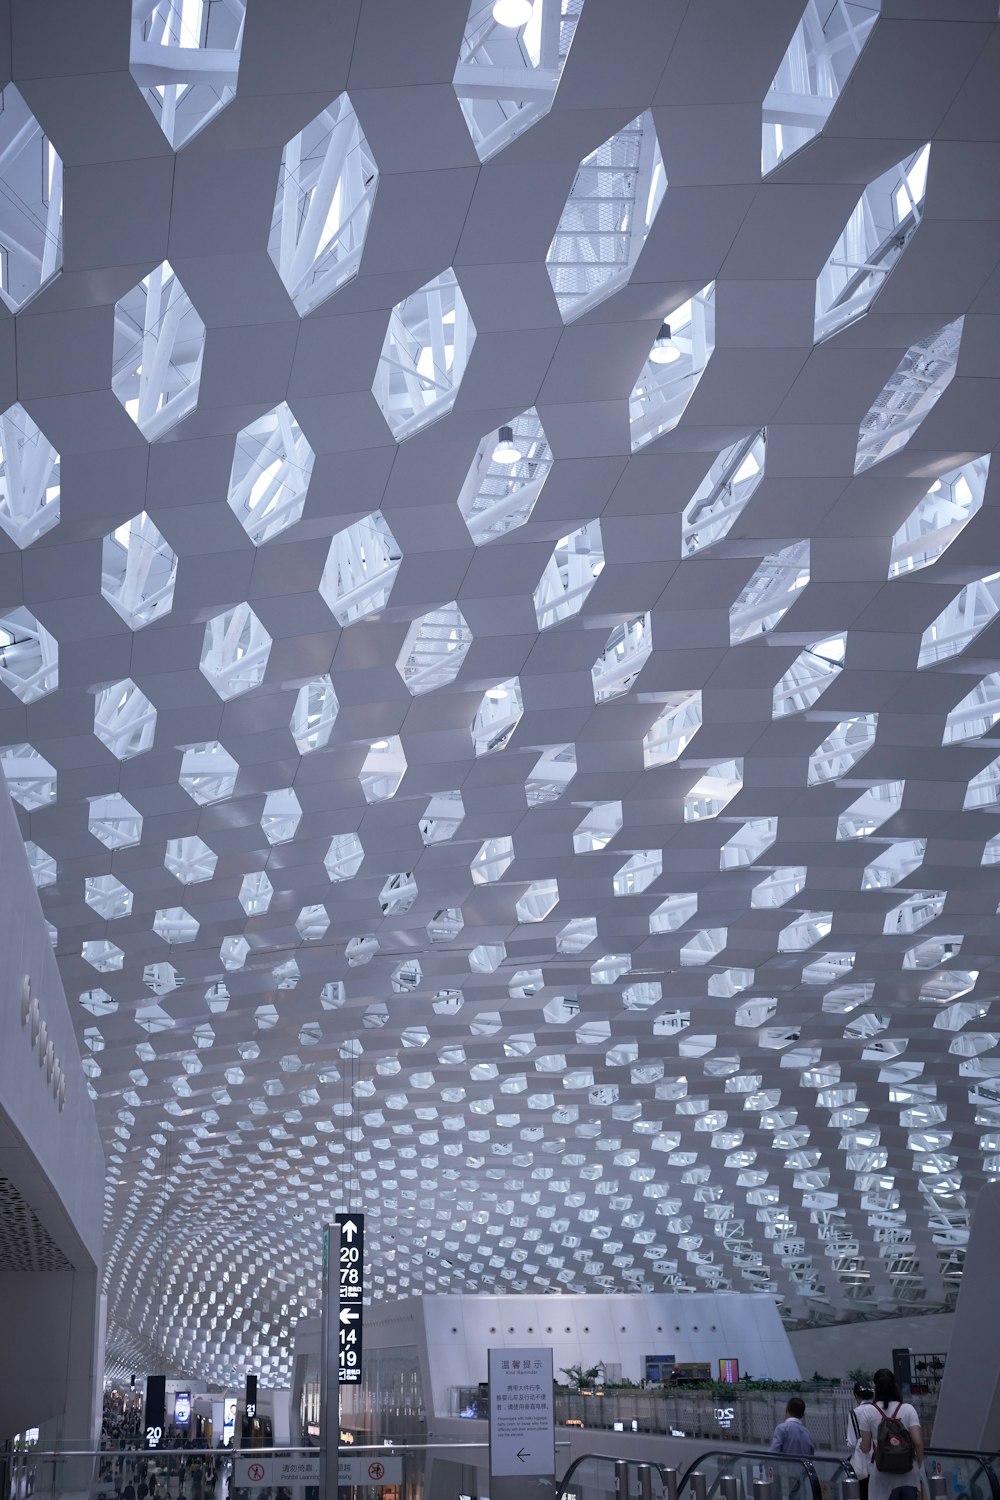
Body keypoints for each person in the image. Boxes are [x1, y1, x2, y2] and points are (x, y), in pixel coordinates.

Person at [856, 1367, 924, 1500]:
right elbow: (917, 1442)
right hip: (908, 1471)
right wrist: (918, 1463)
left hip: (882, 1473)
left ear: (876, 1387)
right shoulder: (908, 1409)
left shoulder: (868, 1412)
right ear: (895, 1386)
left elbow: (865, 1447)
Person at [848, 1382, 875, 1500]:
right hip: (881, 1462)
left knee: (863, 1494)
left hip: (863, 1466)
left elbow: (852, 1442)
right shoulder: (878, 1410)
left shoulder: (855, 1413)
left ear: (856, 1396)